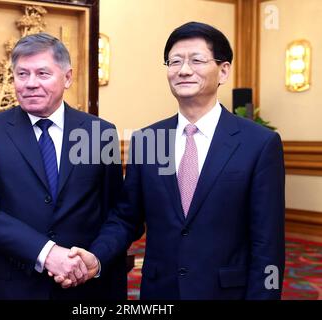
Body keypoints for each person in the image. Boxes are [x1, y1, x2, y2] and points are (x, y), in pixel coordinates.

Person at [59, 21, 286, 299]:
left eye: (197, 60)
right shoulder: (148, 140)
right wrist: (97, 256)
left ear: (223, 70)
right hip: (160, 291)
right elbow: (126, 218)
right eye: (174, 61)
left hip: (227, 292)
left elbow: (268, 242)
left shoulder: (258, 143)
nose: (184, 70)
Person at [0, 33, 126, 300]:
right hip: (12, 288)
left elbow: (118, 212)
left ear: (67, 77)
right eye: (22, 74)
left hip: (85, 290)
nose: (30, 84)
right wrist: (47, 253)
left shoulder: (99, 133)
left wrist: (94, 259)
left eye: (43, 73)